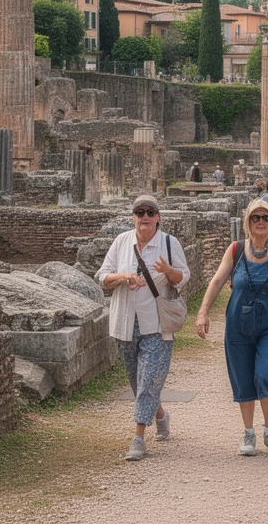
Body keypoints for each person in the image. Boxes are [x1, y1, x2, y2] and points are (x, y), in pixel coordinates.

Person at [196, 199, 268, 458]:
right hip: (238, 322)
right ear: (248, 223)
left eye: (266, 217)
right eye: (256, 218)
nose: (261, 221)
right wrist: (202, 312)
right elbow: (218, 279)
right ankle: (248, 433)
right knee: (243, 376)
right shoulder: (236, 250)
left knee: (265, 374)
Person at [95, 195, 191, 462]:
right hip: (125, 322)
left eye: (150, 212)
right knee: (138, 381)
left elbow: (183, 277)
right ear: (133, 217)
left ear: (158, 217)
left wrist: (169, 271)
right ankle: (160, 415)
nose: (145, 216)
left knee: (148, 380)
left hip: (157, 324)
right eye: (140, 212)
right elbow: (103, 276)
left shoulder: (169, 243)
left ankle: (138, 438)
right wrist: (123, 277)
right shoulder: (122, 242)